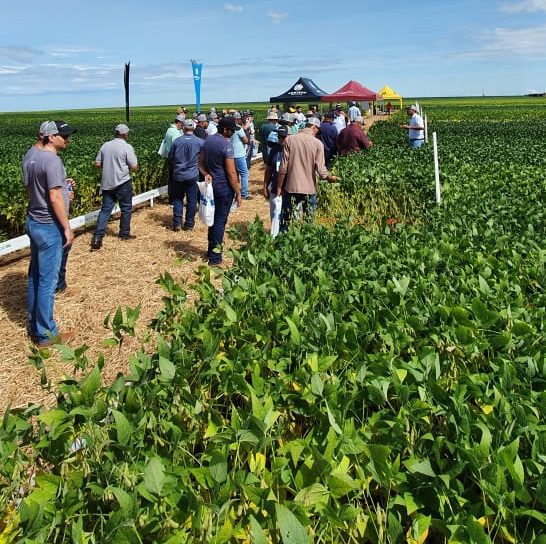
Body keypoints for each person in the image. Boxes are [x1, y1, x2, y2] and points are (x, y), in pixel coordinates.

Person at [23, 120, 76, 347]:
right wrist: (66, 227)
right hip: (49, 226)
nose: (67, 139)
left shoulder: (30, 157)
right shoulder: (52, 160)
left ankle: (34, 322)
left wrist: (64, 188)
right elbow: (54, 197)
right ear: (50, 137)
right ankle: (46, 334)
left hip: (34, 220)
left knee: (35, 275)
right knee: (47, 281)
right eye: (63, 136)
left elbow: (33, 189)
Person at [276, 117, 336, 230]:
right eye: (317, 130)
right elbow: (321, 170)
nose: (317, 133)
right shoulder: (318, 144)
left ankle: (282, 243)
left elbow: (283, 167)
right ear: (314, 127)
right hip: (309, 189)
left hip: (291, 187)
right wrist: (329, 177)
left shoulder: (290, 140)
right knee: (309, 222)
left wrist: (279, 187)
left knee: (286, 220)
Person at [199, 116, 242, 266]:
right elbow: (231, 173)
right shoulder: (226, 145)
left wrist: (205, 174)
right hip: (224, 188)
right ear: (225, 129)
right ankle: (215, 257)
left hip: (211, 187)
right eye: (231, 130)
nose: (233, 133)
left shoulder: (208, 140)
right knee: (219, 221)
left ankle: (210, 250)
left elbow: (200, 162)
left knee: (212, 219)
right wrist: (238, 192)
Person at [91, 124, 138, 249]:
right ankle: (124, 234)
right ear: (124, 134)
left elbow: (97, 163)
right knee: (126, 208)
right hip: (123, 182)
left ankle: (97, 238)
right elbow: (134, 166)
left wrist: (108, 166)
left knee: (105, 210)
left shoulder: (105, 145)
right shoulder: (126, 147)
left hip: (107, 183)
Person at [168, 119, 204, 231]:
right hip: (192, 175)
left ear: (183, 128)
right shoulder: (199, 142)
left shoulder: (177, 142)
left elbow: (170, 157)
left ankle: (177, 223)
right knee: (192, 200)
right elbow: (204, 158)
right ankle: (189, 224)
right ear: (193, 128)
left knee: (177, 198)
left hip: (178, 175)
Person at [263, 126, 289, 234]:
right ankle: (275, 236)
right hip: (274, 188)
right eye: (279, 137)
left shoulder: (293, 150)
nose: (281, 139)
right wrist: (265, 186)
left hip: (288, 188)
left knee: (287, 214)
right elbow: (268, 169)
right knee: (275, 214)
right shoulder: (275, 150)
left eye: (283, 137)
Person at [231, 113, 250, 199]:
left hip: (231, 154)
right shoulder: (239, 129)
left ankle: (236, 192)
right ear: (237, 119)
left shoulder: (229, 128)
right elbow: (245, 140)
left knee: (234, 174)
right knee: (244, 173)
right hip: (239, 154)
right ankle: (244, 193)